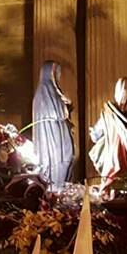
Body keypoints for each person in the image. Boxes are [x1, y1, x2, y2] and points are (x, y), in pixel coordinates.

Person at [32, 61, 75, 191]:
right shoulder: (43, 92)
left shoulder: (55, 91)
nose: (58, 76)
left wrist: (66, 105)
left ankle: (61, 186)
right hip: (51, 133)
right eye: (56, 73)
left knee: (67, 155)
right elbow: (54, 112)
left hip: (59, 131)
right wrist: (64, 106)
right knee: (56, 159)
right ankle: (55, 188)